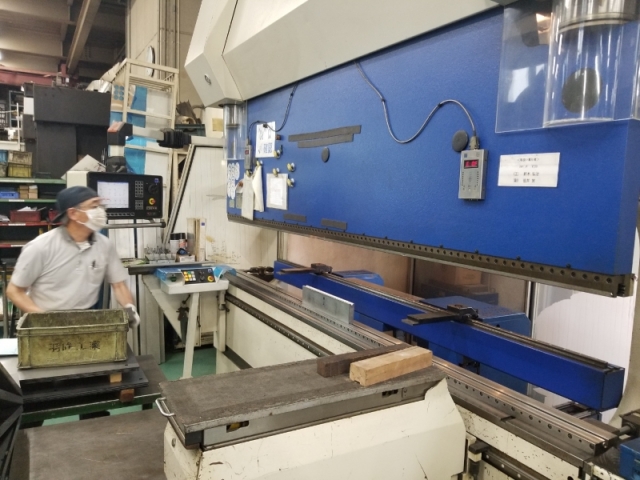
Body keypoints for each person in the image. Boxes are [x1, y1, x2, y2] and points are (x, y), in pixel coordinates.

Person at [6, 186, 140, 327]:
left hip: (86, 319)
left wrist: (129, 307)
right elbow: (14, 291)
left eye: (101, 206)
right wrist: (46, 321)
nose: (101, 211)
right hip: (46, 320)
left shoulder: (104, 245)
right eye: (94, 207)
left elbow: (118, 284)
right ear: (73, 213)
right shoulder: (40, 247)